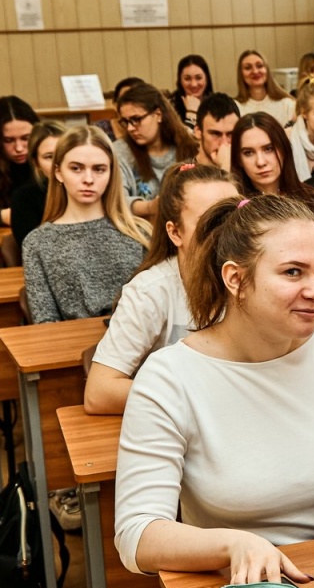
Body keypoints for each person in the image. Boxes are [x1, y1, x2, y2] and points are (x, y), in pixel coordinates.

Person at [113, 194, 314, 580]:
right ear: (235, 279)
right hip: (240, 574)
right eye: (293, 272)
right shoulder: (169, 376)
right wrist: (233, 545)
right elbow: (138, 535)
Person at [84, 163, 240, 414]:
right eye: (210, 221)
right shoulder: (149, 292)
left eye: (233, 218)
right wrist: (199, 395)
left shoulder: (256, 280)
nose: (226, 233)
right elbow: (99, 393)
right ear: (175, 232)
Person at [22, 126, 151, 323]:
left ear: (111, 173)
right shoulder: (37, 243)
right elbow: (46, 322)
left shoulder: (139, 232)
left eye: (99, 169)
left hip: (140, 336)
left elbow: (158, 305)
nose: (88, 179)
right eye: (76, 168)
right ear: (58, 172)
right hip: (74, 340)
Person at [230, 112, 314, 286]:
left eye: (268, 149)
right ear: (238, 160)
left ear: (284, 149)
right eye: (248, 152)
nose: (261, 162)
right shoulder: (231, 207)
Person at [114, 83, 199, 218]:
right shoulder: (120, 151)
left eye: (136, 119)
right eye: (125, 122)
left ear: (158, 114)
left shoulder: (189, 145)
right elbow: (116, 201)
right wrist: (150, 207)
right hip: (140, 226)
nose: (130, 128)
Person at [0, 95, 39, 227]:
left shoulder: (47, 158)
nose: (19, 148)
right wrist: (1, 216)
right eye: (8, 140)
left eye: (26, 138)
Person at [10, 120, 66, 248]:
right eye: (49, 157)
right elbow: (31, 249)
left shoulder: (89, 189)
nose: (57, 162)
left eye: (63, 153)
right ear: (36, 163)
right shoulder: (24, 197)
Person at [234, 49, 296, 126]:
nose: (255, 71)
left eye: (259, 66)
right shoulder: (235, 107)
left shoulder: (288, 105)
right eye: (248, 67)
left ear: (267, 70)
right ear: (241, 74)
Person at [193, 93, 240, 170]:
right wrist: (225, 167)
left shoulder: (247, 171)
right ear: (198, 132)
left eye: (231, 134)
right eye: (215, 134)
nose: (224, 143)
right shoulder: (182, 174)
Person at [93, 77, 145, 142]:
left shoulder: (150, 129)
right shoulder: (99, 130)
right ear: (115, 105)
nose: (131, 105)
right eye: (125, 100)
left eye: (137, 100)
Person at [171, 55, 213, 129]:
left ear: (207, 78)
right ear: (180, 81)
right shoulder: (170, 107)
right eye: (187, 79)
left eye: (198, 78)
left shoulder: (218, 104)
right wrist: (191, 114)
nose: (194, 84)